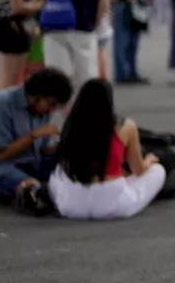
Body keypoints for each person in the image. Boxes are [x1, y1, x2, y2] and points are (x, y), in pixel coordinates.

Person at [48, 79, 166, 220]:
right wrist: (148, 161)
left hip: (72, 206)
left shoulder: (71, 125)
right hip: (113, 204)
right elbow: (138, 170)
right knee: (157, 171)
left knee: (56, 175)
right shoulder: (126, 126)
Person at [0, 68, 74, 214]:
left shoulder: (42, 109)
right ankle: (35, 193)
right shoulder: (1, 103)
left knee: (74, 163)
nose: (52, 110)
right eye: (51, 104)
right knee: (30, 186)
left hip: (32, 164)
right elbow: (0, 154)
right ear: (35, 96)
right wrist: (33, 135)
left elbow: (42, 151)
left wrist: (59, 147)